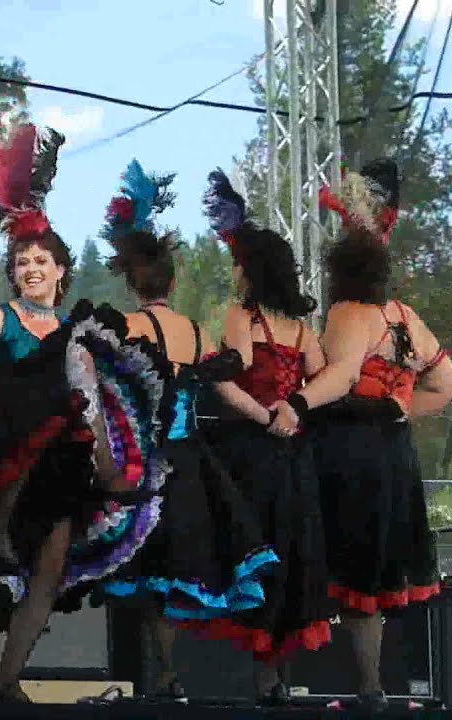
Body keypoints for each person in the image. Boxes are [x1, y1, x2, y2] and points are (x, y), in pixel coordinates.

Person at [0, 124, 168, 703]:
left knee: (47, 576)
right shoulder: (4, 318)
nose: (30, 268)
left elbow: (91, 400)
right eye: (22, 261)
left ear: (61, 270)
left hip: (62, 470)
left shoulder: (79, 330)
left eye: (40, 260)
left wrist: (105, 464)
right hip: (6, 455)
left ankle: (6, 680)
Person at [267, 158, 452, 711]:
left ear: (340, 270)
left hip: (344, 455)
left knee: (309, 560)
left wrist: (297, 401)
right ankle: (369, 689)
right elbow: (445, 384)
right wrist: (399, 409)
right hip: (392, 458)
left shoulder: (349, 313)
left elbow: (342, 377)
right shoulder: (405, 316)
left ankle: (277, 686)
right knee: (368, 578)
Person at [88, 160, 279, 704]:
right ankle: (171, 678)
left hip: (139, 464)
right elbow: (226, 381)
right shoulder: (194, 332)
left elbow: (100, 395)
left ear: (131, 279)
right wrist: (273, 413)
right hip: (190, 462)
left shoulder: (123, 327)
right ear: (172, 281)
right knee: (175, 571)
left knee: (143, 572)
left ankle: (159, 677)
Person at [184, 169, 333, 705]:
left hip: (248, 453)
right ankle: (271, 680)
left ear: (249, 270)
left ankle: (221, 681)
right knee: (287, 555)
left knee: (240, 551)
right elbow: (321, 377)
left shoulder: (240, 314)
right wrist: (292, 413)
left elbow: (230, 376)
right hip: (293, 456)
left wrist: (262, 414)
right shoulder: (299, 325)